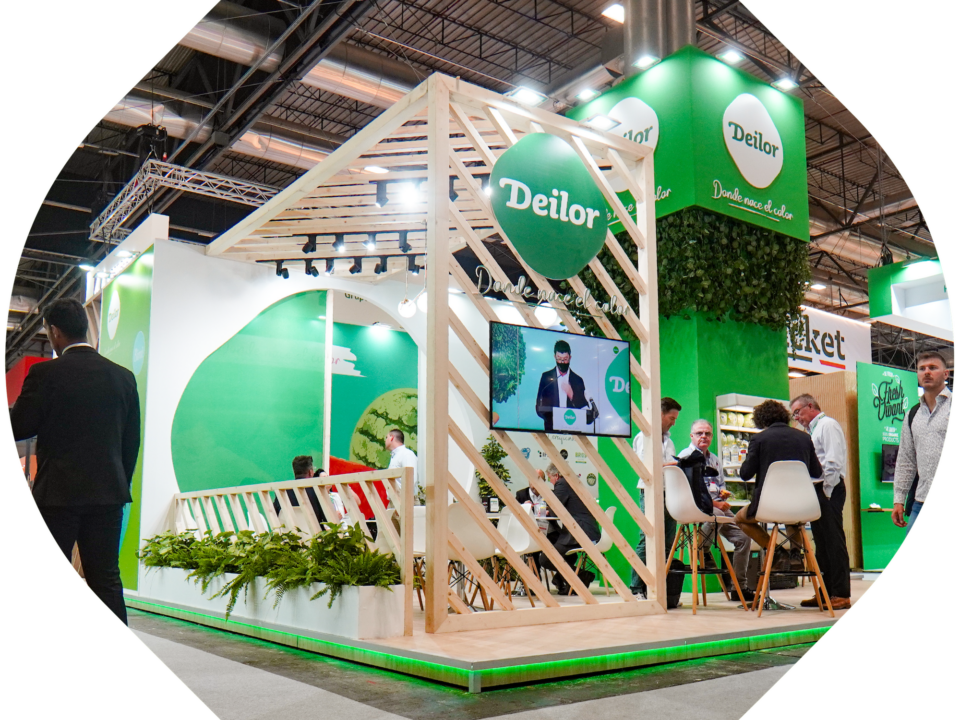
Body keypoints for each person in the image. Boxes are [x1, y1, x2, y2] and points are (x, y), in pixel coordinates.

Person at [10, 298, 140, 626]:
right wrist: (117, 484)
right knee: (105, 579)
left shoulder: (44, 374)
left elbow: (19, 427)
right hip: (107, 496)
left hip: (57, 494)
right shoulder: (123, 378)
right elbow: (131, 443)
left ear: (55, 332)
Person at [734, 400, 823, 599]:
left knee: (739, 519)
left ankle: (775, 551)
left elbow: (745, 474)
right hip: (801, 505)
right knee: (793, 519)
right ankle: (796, 555)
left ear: (761, 420)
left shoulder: (759, 439)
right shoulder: (804, 438)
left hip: (768, 506)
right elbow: (817, 472)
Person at [677, 420, 753, 602]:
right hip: (695, 507)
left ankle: (739, 587)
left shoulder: (714, 459)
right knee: (717, 514)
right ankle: (702, 549)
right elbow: (690, 492)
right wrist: (715, 504)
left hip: (716, 506)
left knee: (744, 537)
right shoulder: (686, 457)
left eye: (707, 433)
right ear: (691, 436)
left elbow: (719, 484)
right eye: (699, 433)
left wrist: (722, 494)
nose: (704, 436)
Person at [790, 394, 851, 609]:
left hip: (829, 489)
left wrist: (827, 491)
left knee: (833, 541)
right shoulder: (811, 431)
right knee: (821, 543)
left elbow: (833, 462)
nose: (797, 417)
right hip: (817, 489)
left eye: (798, 412)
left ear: (810, 406)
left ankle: (841, 594)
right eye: (794, 414)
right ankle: (825, 592)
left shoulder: (827, 425)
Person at [892, 351, 952, 535]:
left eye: (933, 368)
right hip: (921, 501)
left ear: (946, 374)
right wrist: (899, 499)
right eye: (922, 368)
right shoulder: (912, 415)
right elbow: (906, 460)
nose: (927, 372)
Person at [629, 397, 681, 600]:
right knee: (647, 539)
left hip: (670, 493)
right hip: (650, 492)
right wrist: (673, 465)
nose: (673, 423)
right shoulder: (644, 437)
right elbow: (645, 468)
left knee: (668, 542)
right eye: (671, 418)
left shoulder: (669, 441)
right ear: (660, 414)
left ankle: (661, 589)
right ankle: (636, 587)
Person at [537, 464, 599, 594]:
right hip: (588, 530)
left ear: (556, 475)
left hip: (580, 531)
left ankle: (582, 576)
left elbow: (555, 508)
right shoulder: (572, 482)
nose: (551, 482)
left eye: (550, 478)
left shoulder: (562, 484)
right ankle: (562, 580)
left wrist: (547, 510)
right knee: (568, 556)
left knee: (545, 559)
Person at [535, 340, 589, 432]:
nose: (562, 362)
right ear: (554, 357)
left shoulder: (578, 380)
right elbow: (539, 406)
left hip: (574, 433)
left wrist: (572, 395)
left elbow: (585, 413)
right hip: (552, 431)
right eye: (559, 359)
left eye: (565, 359)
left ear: (570, 358)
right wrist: (553, 419)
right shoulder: (546, 378)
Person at [272, 455, 331, 525]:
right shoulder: (316, 491)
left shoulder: (282, 492)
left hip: (291, 531)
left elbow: (276, 515)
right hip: (314, 531)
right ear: (310, 472)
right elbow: (327, 519)